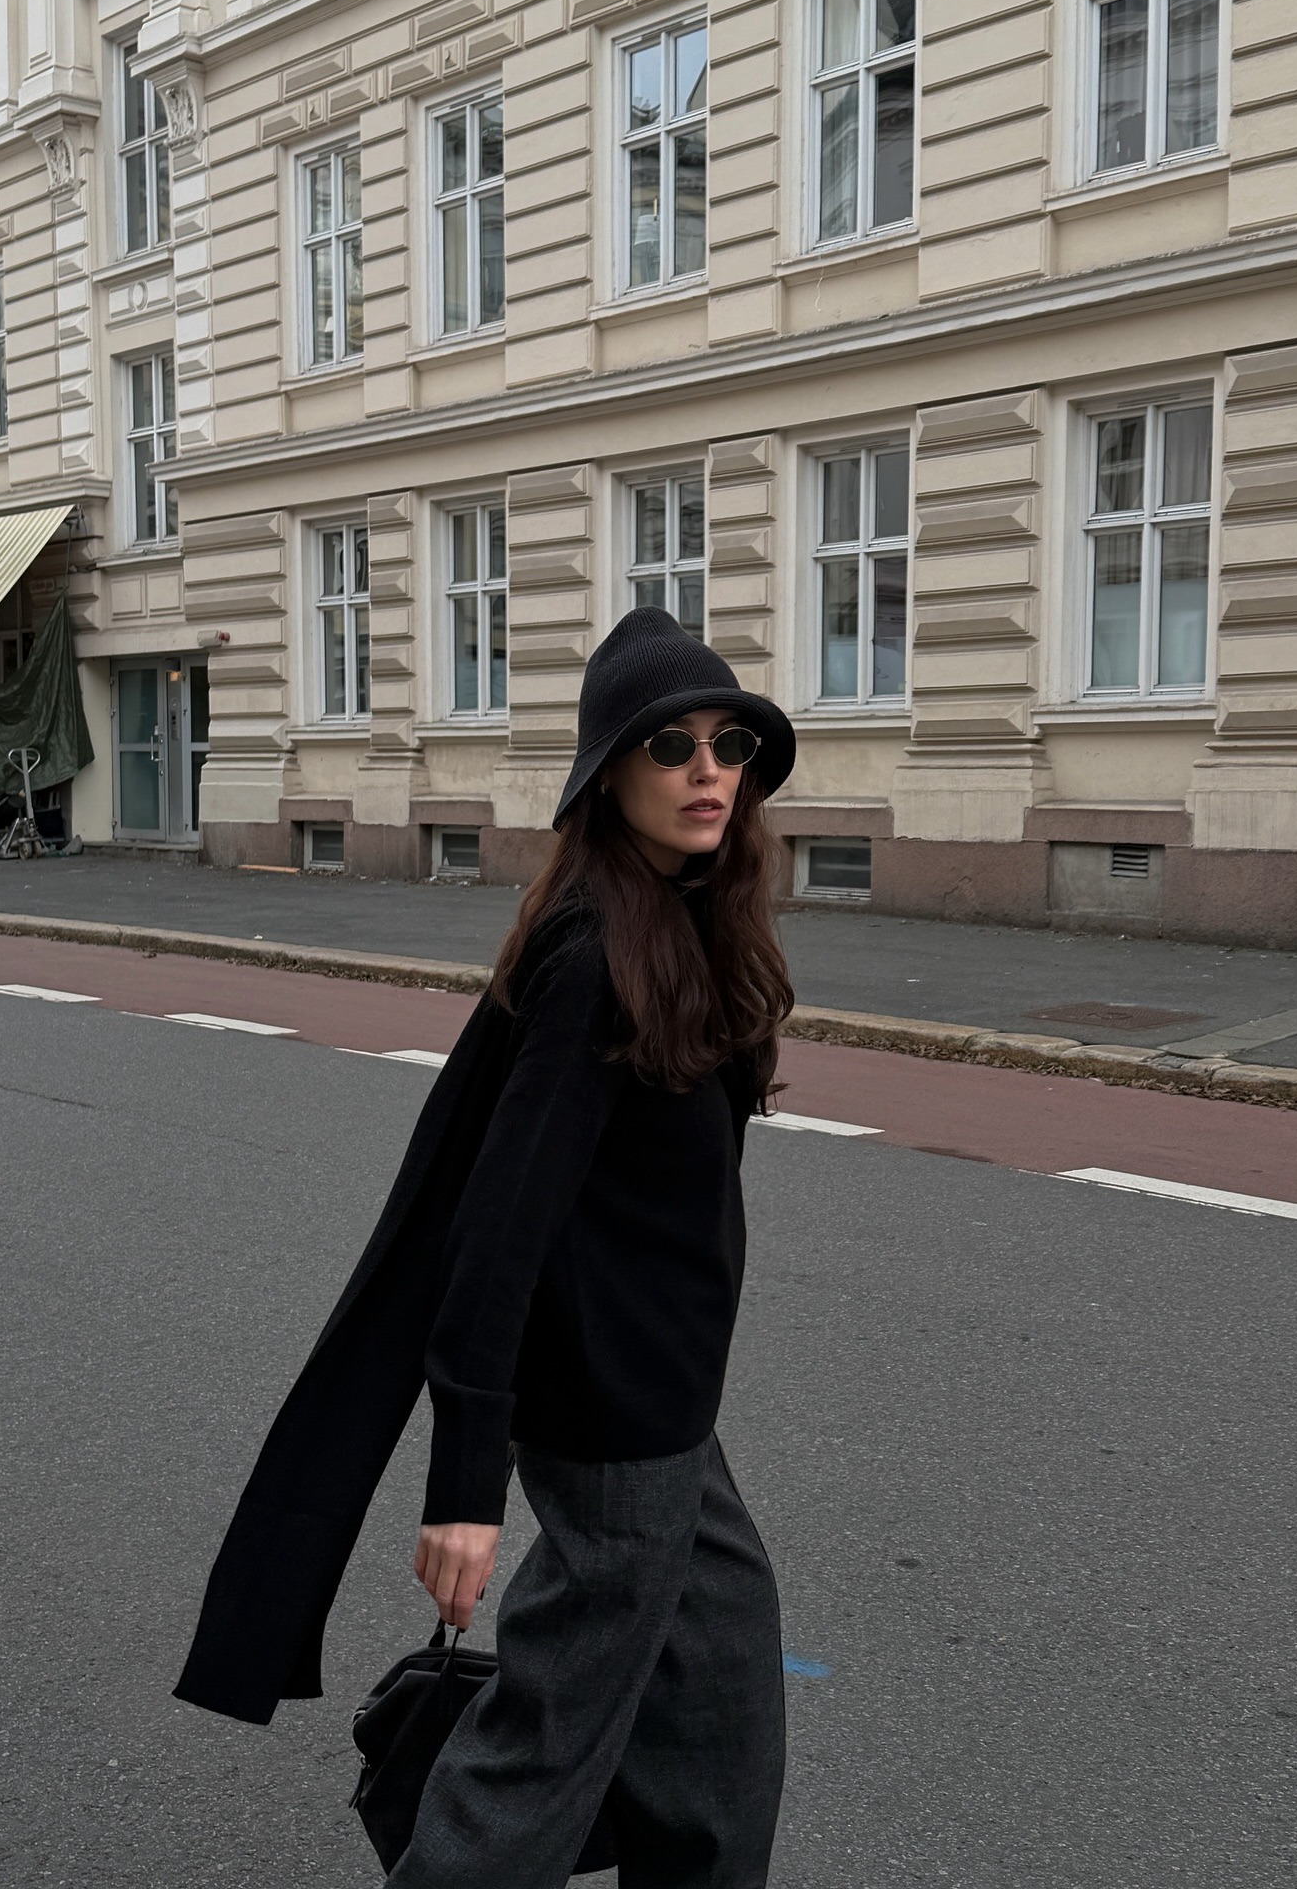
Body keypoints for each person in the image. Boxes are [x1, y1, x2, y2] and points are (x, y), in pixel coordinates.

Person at [174, 607, 799, 1887]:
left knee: (724, 1708)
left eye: (728, 742)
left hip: (669, 1404)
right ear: (608, 774)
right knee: (543, 1747)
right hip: (613, 1419)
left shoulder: (686, 923)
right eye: (669, 745)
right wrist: (465, 1486)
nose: (707, 770)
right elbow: (493, 1232)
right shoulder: (594, 957)